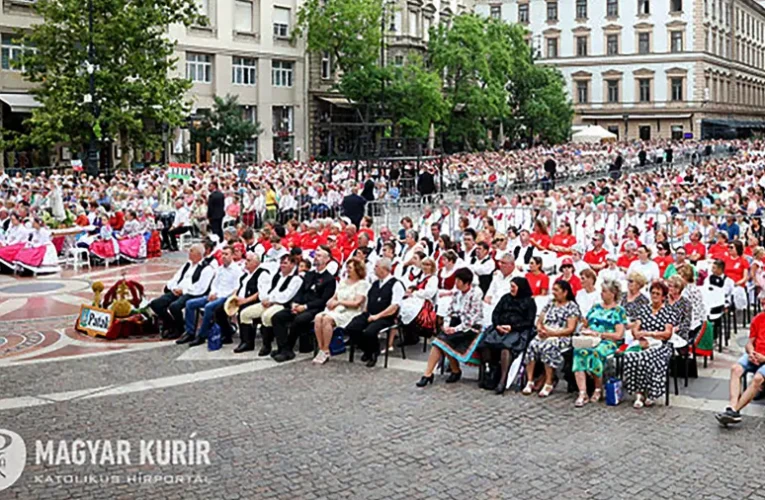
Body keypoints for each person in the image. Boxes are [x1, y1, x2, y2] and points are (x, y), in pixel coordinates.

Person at [415, 268, 484, 387]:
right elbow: (449, 311)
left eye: (458, 281)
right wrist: (446, 325)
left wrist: (455, 329)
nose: (456, 283)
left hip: (470, 328)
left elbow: (471, 319)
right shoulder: (456, 294)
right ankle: (431, 373)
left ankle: (442, 372)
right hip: (455, 323)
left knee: (441, 342)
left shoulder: (475, 295)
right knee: (439, 342)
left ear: (466, 283)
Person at [270, 247, 337, 362]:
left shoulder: (329, 279)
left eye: (320, 255)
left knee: (299, 320)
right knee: (277, 317)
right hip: (300, 305)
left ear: (327, 259)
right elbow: (300, 291)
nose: (316, 257)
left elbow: (323, 300)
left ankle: (288, 348)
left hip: (314, 309)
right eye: (316, 255)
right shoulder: (309, 275)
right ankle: (283, 348)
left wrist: (305, 307)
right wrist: (295, 303)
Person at [572, 279, 627, 407]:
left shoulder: (618, 311)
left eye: (604, 291)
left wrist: (599, 335)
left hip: (608, 341)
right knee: (578, 351)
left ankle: (598, 388)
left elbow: (619, 335)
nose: (601, 294)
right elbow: (584, 324)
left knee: (596, 352)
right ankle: (582, 392)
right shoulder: (596, 307)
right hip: (590, 339)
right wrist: (585, 330)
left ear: (613, 294)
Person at [478, 277, 536, 394]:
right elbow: (496, 313)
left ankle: (502, 381)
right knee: (485, 344)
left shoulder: (529, 302)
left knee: (506, 348)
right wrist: (497, 325)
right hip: (500, 328)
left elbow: (529, 321)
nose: (511, 289)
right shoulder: (506, 298)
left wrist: (512, 327)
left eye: (514, 287)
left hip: (517, 331)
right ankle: (489, 373)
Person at [522, 280, 581, 397]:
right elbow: (540, 320)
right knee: (532, 344)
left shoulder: (572, 307)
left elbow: (570, 328)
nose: (553, 293)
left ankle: (549, 382)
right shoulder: (550, 304)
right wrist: (540, 329)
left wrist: (553, 333)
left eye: (556, 290)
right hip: (546, 332)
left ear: (565, 292)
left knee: (549, 347)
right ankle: (530, 380)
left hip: (562, 336)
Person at [622, 281, 675, 408]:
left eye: (658, 294)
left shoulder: (668, 311)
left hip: (661, 344)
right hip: (643, 341)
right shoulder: (644, 309)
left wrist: (650, 334)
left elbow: (667, 333)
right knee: (630, 356)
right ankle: (638, 393)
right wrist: (639, 336)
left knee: (646, 358)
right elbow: (636, 328)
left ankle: (650, 392)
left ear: (663, 297)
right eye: (653, 293)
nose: (655, 296)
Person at [345, 258, 405, 367]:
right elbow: (369, 299)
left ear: (383, 269)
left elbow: (394, 307)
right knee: (352, 327)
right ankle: (367, 349)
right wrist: (365, 313)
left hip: (385, 317)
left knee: (370, 332)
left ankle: (373, 353)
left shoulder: (396, 284)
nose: (374, 269)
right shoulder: (376, 283)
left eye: (376, 267)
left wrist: (377, 316)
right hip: (371, 313)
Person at [149, 244, 216, 339]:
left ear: (198, 254)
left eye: (191, 251)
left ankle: (180, 328)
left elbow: (201, 288)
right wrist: (173, 287)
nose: (189, 253)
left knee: (175, 307)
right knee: (156, 304)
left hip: (191, 293)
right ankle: (172, 324)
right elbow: (176, 277)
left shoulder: (206, 268)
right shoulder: (187, 265)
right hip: (178, 290)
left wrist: (183, 291)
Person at [241, 255, 303, 357]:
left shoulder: (296, 279)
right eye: (281, 263)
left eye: (285, 263)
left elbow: (287, 296)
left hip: (283, 305)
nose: (282, 265)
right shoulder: (277, 276)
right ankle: (247, 342)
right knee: (245, 314)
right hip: (270, 302)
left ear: (292, 265)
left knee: (266, 316)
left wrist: (272, 301)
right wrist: (266, 299)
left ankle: (267, 345)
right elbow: (270, 291)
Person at [716, 298, 765, 426]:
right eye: (762, 303)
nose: (763, 305)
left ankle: (735, 410)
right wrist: (751, 352)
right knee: (735, 368)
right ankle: (732, 407)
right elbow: (749, 343)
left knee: (758, 378)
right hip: (755, 354)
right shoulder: (758, 319)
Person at [181, 246, 243, 346]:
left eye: (226, 254)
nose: (223, 257)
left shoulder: (237, 270)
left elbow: (236, 288)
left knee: (208, 307)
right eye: (222, 254)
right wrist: (212, 293)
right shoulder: (220, 269)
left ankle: (202, 335)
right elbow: (214, 284)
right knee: (190, 304)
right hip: (215, 295)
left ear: (232, 256)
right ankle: (190, 332)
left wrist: (220, 296)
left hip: (225, 297)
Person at [313, 260, 370, 364]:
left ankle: (325, 349)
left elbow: (357, 302)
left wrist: (339, 302)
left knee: (327, 319)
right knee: (318, 317)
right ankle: (321, 348)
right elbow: (334, 296)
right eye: (347, 267)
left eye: (350, 268)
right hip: (338, 309)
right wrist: (330, 302)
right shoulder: (343, 282)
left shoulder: (362, 284)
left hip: (352, 312)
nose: (347, 270)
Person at [226, 253, 272, 353]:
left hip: (255, 301)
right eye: (246, 260)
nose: (245, 262)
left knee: (243, 311)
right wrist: (234, 297)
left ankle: (247, 342)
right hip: (241, 299)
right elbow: (238, 287)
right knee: (219, 310)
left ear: (256, 263)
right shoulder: (245, 275)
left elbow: (260, 292)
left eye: (248, 260)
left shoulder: (262, 274)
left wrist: (244, 301)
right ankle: (226, 334)